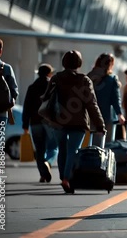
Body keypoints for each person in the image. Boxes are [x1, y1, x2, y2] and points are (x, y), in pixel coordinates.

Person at [45, 50, 105, 193]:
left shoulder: (56, 78)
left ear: (64, 62)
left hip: (58, 121)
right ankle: (67, 179)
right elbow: (92, 104)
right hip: (78, 122)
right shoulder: (84, 80)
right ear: (79, 63)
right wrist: (100, 124)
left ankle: (63, 177)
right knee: (73, 151)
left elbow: (47, 97)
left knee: (61, 149)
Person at [0, 37, 18, 193]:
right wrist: (9, 102)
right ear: (0, 51)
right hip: (0, 114)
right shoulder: (5, 68)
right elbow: (14, 91)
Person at [22, 63, 58, 183]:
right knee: (53, 146)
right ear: (50, 73)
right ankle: (48, 162)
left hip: (35, 122)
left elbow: (26, 107)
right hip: (49, 121)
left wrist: (25, 125)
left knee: (39, 149)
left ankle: (43, 174)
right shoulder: (53, 86)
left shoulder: (32, 87)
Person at [87, 53, 125, 143]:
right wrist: (119, 114)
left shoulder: (90, 77)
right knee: (106, 143)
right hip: (107, 116)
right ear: (110, 65)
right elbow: (115, 98)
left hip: (90, 115)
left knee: (91, 141)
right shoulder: (112, 79)